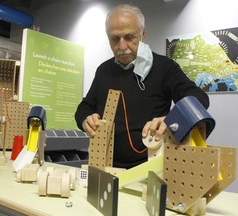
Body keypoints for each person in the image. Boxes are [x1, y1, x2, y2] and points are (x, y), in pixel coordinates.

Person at [75, 4, 209, 169]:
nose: (122, 46)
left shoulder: (165, 67)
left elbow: (198, 97)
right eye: (115, 39)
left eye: (129, 37)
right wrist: (85, 120)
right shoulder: (103, 70)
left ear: (143, 34)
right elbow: (84, 107)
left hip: (151, 166)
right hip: (106, 165)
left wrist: (174, 118)